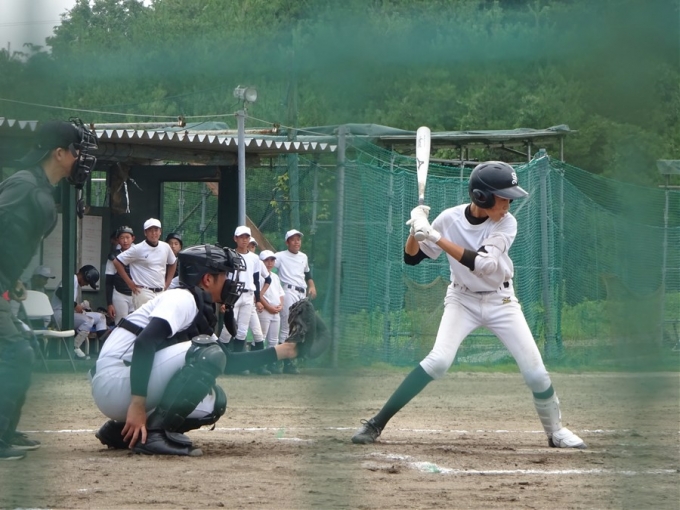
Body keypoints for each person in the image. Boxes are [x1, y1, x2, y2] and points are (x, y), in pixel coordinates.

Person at [351, 161, 586, 449]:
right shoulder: (449, 219)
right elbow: (411, 258)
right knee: (438, 361)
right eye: (503, 197)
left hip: (501, 301)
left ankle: (556, 432)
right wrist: (416, 228)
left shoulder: (506, 223)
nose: (508, 204)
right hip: (461, 300)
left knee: (536, 373)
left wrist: (435, 236)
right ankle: (375, 424)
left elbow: (485, 265)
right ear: (481, 196)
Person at [90, 244, 300, 456]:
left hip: (121, 385)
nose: (230, 281)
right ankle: (154, 435)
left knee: (213, 402)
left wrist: (285, 350)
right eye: (225, 274)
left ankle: (121, 432)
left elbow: (228, 361)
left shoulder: (196, 303)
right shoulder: (181, 298)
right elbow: (145, 343)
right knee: (209, 354)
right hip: (115, 380)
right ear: (207, 279)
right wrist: (137, 404)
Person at [0, 119, 97, 460]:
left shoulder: (38, 187)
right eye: (76, 150)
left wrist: (11, 278)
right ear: (58, 153)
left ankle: (6, 432)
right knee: (15, 352)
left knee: (24, 347)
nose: (80, 158)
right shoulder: (25, 186)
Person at [217, 227, 271, 369]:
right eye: (241, 237)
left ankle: (236, 365)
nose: (244, 240)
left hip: (248, 294)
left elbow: (256, 280)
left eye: (247, 237)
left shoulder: (254, 258)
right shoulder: (230, 255)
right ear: (235, 238)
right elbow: (225, 279)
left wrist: (257, 299)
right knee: (227, 329)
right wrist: (223, 300)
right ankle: (219, 360)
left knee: (242, 330)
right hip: (233, 294)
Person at [275, 229, 317, 375]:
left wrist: (312, 285)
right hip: (289, 291)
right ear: (287, 242)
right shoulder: (280, 256)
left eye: (298, 239)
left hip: (301, 293)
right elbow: (267, 267)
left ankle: (291, 360)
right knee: (286, 326)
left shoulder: (303, 256)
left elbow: (307, 273)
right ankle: (281, 361)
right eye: (293, 239)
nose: (296, 242)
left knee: (299, 327)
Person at [113, 218, 177, 310]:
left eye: (156, 230)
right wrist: (130, 283)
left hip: (160, 291)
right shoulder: (138, 248)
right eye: (150, 230)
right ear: (145, 233)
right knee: (144, 319)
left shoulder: (165, 247)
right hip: (143, 292)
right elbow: (117, 261)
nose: (153, 233)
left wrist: (168, 283)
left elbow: (173, 262)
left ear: (160, 232)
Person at [52, 265, 107, 359]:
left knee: (101, 317)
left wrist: (78, 307)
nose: (87, 284)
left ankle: (104, 349)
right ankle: (74, 347)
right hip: (59, 314)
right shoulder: (73, 278)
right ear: (86, 276)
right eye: (88, 282)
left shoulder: (75, 282)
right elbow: (60, 293)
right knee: (88, 320)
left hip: (68, 313)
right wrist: (75, 305)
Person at [257, 250, 285, 374]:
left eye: (272, 260)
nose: (269, 263)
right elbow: (258, 295)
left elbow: (281, 293)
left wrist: (281, 305)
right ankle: (259, 364)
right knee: (261, 337)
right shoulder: (259, 276)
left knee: (274, 340)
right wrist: (268, 307)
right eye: (266, 260)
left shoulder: (275, 276)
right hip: (264, 310)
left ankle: (271, 363)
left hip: (275, 311)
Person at [105, 226, 135, 325]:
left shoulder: (139, 253)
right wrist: (109, 303)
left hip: (136, 293)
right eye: (122, 238)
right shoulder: (113, 257)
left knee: (137, 323)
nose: (125, 241)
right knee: (121, 324)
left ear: (133, 238)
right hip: (119, 293)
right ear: (118, 240)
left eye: (127, 237)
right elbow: (109, 282)